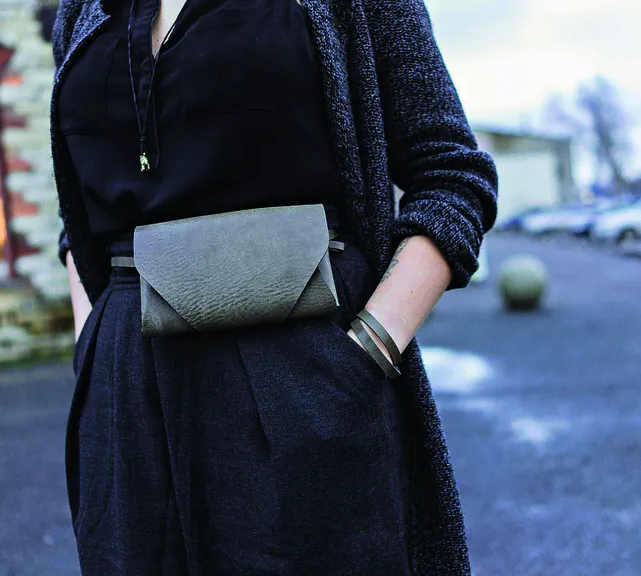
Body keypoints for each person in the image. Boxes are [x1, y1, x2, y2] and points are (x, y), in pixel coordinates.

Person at [50, 0, 498, 573]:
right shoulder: (81, 10)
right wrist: (92, 347)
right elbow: (79, 212)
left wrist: (368, 350)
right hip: (127, 392)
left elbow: (451, 177)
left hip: (306, 373)